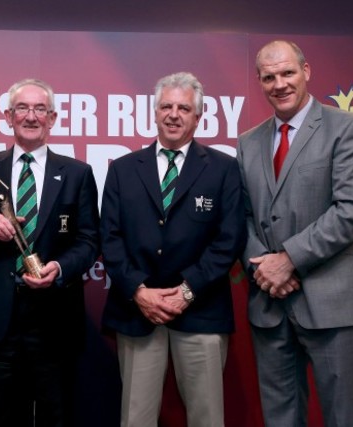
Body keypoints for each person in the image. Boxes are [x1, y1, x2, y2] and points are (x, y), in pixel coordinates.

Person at [236, 40, 353, 427]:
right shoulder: (248, 142)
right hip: (270, 304)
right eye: (269, 77)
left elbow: (352, 210)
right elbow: (242, 216)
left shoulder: (346, 127)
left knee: (345, 418)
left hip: (333, 305)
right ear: (260, 82)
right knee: (280, 419)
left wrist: (288, 260)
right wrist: (264, 270)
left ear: (306, 71)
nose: (279, 84)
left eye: (287, 73)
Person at [100, 72, 246, 427]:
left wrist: (186, 291)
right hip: (137, 313)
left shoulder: (224, 169)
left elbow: (229, 240)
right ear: (155, 112)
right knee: (136, 418)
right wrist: (139, 292)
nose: (174, 114)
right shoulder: (122, 169)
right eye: (166, 106)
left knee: (206, 418)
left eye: (184, 107)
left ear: (198, 116)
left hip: (201, 310)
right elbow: (110, 238)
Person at [0, 78, 100, 426]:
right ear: (8, 116)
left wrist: (59, 267)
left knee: (57, 416)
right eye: (22, 108)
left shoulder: (77, 173)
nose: (31, 116)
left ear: (52, 118)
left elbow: (89, 241)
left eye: (40, 109)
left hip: (55, 322)